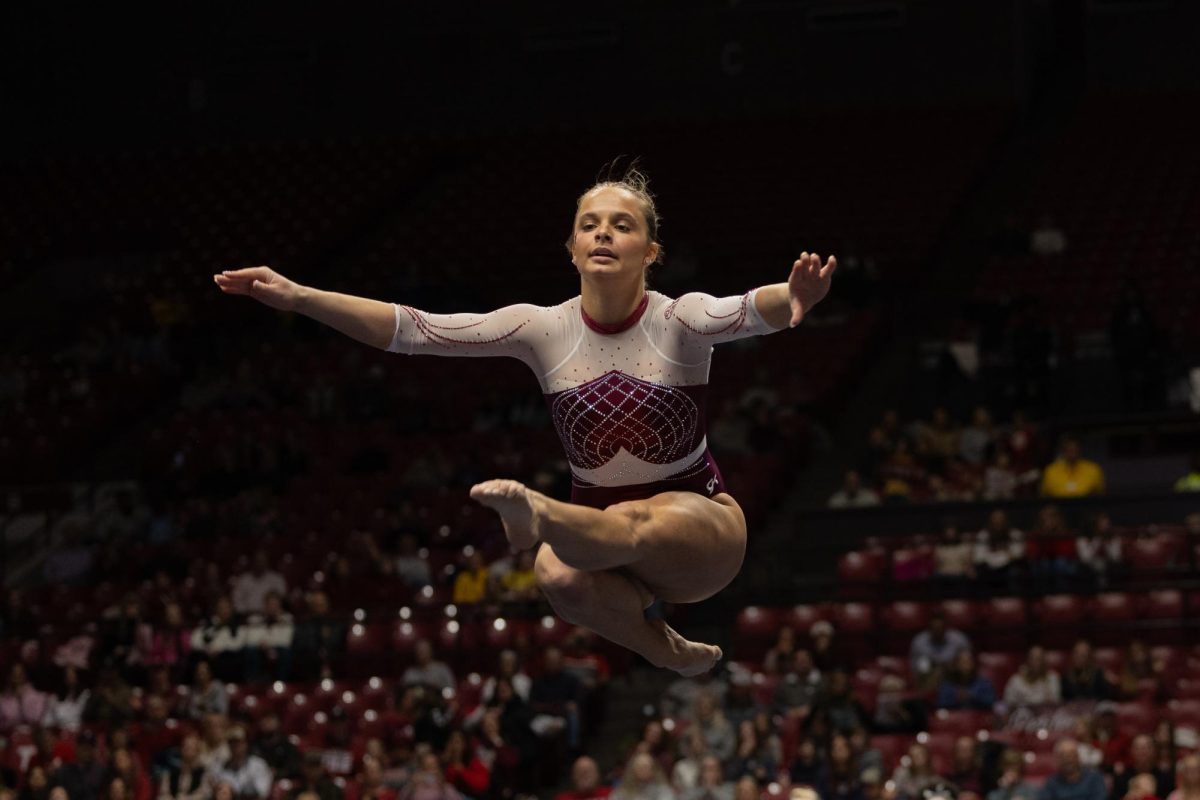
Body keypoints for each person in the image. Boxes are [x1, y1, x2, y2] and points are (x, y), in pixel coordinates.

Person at [215, 165, 838, 674]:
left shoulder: (680, 318)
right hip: (599, 545)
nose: (602, 234)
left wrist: (796, 297)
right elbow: (415, 329)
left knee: (626, 521)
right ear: (571, 248)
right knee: (552, 572)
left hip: (699, 536)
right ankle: (660, 645)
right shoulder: (542, 329)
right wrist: (299, 296)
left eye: (621, 226)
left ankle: (539, 514)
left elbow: (751, 308)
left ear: (649, 251)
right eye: (588, 225)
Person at [1039, 740, 1106, 800]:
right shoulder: (1051, 783)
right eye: (1063, 756)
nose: (1068, 759)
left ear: (1078, 757)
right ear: (1057, 760)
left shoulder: (1094, 778)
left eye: (1071, 755)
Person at [1041, 438, 1105, 498]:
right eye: (1069, 449)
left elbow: (1100, 494)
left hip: (1086, 506)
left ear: (1080, 450)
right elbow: (1044, 495)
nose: (1072, 452)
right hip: (1058, 506)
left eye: (1075, 449)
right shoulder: (1051, 470)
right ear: (1063, 451)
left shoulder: (1093, 469)